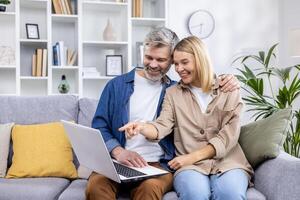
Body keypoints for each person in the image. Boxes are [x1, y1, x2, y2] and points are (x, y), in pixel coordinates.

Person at [86, 28, 240, 200]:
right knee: (96, 187)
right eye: (149, 57)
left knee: (149, 190)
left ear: (171, 61)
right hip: (117, 162)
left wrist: (229, 79)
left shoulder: (176, 90)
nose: (153, 64)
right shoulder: (116, 86)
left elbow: (204, 83)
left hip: (158, 166)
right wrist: (119, 152)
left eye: (161, 60)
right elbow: (99, 126)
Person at [120, 36, 254, 200]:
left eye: (184, 62)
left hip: (228, 162)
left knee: (229, 193)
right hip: (190, 167)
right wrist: (142, 127)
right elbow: (161, 126)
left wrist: (192, 156)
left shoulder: (228, 89)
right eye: (176, 64)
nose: (178, 68)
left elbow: (229, 135)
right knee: (194, 194)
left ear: (200, 60)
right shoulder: (172, 93)